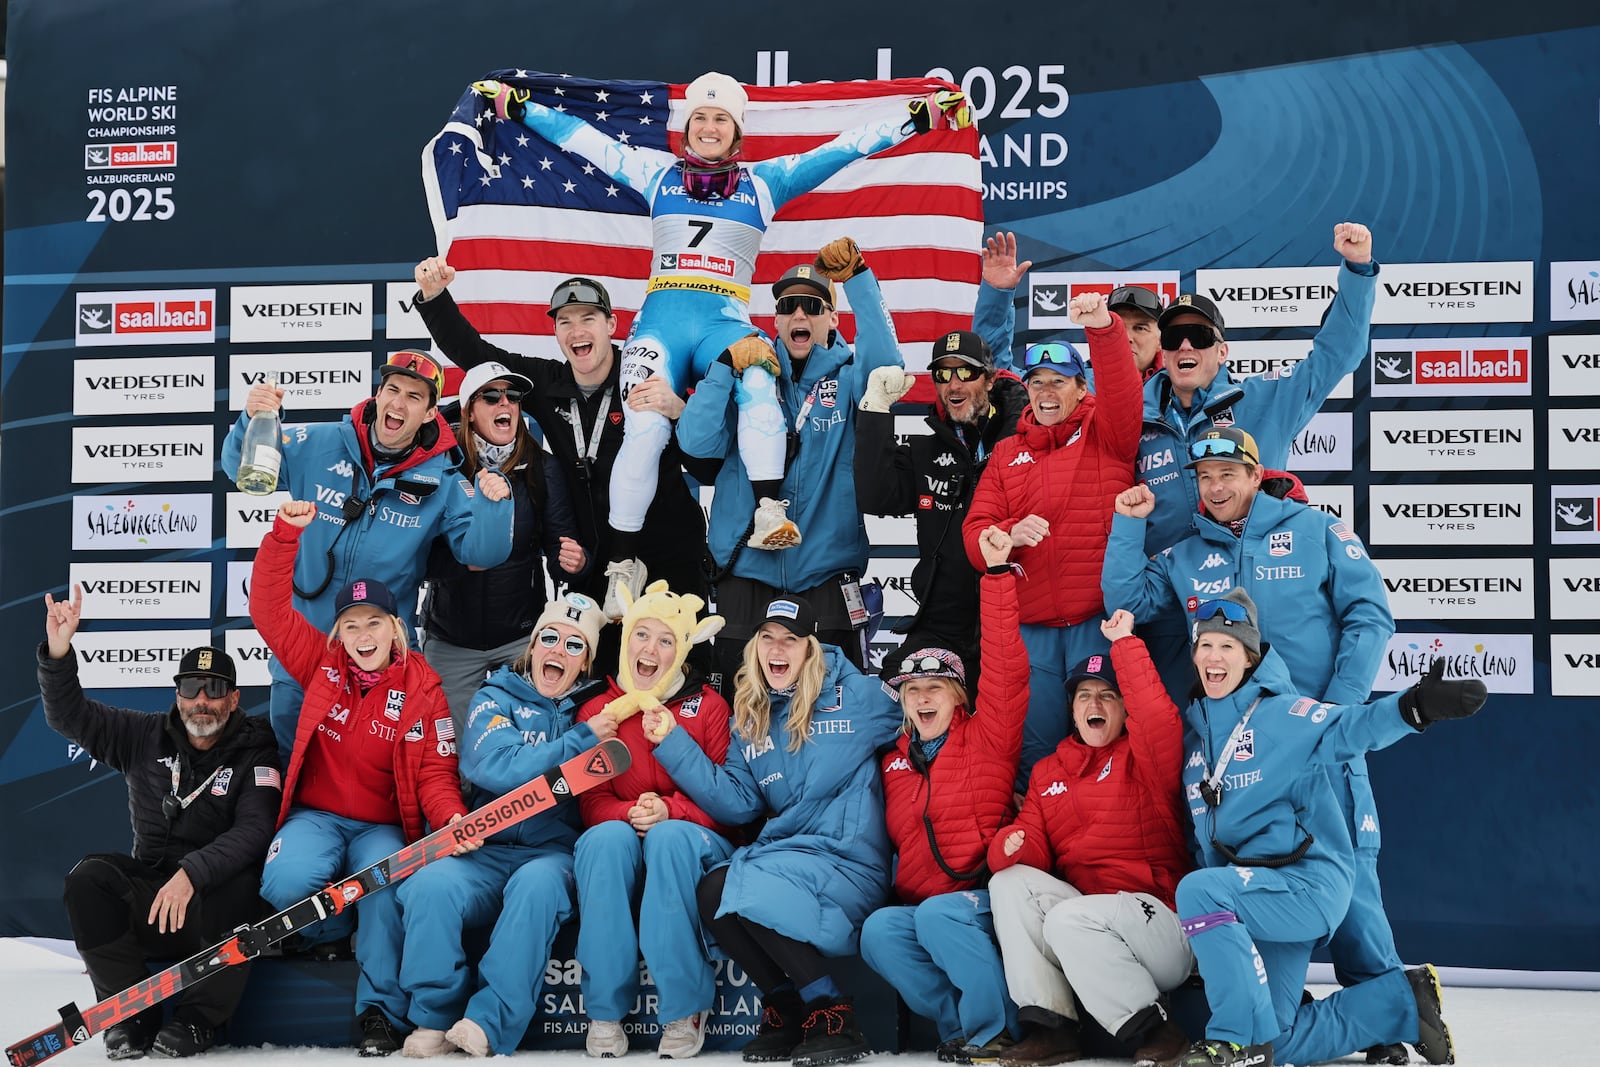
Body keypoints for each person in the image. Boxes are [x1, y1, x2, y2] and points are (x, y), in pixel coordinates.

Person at [472, 72, 972, 610]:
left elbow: (843, 149)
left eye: (721, 120)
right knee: (642, 427)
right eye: (701, 118)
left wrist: (919, 119)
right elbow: (584, 140)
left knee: (758, 379)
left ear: (737, 134)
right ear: (687, 128)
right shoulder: (656, 173)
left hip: (724, 324)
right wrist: (519, 108)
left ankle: (767, 511)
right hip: (660, 325)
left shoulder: (764, 182)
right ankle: (622, 561)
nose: (709, 128)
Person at [1101, 424, 1403, 1064]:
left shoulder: (1314, 528)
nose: (1215, 489)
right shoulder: (1184, 553)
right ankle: (1317, 1021)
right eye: (1204, 478)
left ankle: (1386, 1018)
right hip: (1233, 755)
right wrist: (1128, 527)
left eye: (1228, 475)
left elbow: (1371, 614)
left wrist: (1338, 709)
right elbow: (1126, 600)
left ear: (1256, 474)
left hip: (1312, 743)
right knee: (1249, 877)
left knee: (1354, 886)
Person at [1117, 588, 1482, 1067]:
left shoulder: (1280, 713)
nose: (1213, 656)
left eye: (1227, 646)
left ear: (1249, 657)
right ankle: (1400, 1003)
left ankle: (1230, 1039)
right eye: (1205, 645)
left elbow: (1351, 729)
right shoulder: (1197, 743)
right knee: (1276, 1038)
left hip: (1305, 883)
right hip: (1253, 896)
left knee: (1201, 893)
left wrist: (1413, 708)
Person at [640, 597, 903, 1067]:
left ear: (810, 648)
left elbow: (921, 718)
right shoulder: (752, 718)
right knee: (713, 890)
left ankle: (833, 1011)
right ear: (756, 647)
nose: (777, 649)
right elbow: (737, 803)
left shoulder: (857, 695)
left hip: (849, 862)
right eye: (767, 638)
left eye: (790, 639)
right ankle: (787, 1004)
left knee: (749, 886)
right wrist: (673, 741)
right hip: (789, 859)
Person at [250, 501, 468, 1057]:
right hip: (318, 817)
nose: (363, 635)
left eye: (374, 623)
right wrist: (284, 537)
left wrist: (451, 818)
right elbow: (269, 612)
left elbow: (438, 774)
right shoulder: (322, 665)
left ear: (396, 629)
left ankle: (379, 1012)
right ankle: (327, 932)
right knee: (284, 884)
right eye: (351, 625)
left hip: (382, 826)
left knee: (383, 885)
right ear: (338, 633)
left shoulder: (423, 688)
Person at [222, 350, 514, 760]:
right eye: (392, 389)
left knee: (374, 780)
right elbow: (241, 468)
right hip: (302, 647)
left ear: (431, 413)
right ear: (378, 394)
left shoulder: (443, 478)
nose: (398, 403)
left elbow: (481, 553)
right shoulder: (318, 443)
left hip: (381, 661)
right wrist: (253, 422)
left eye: (414, 397)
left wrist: (494, 506)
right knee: (292, 769)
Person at [412, 264, 711, 642]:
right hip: (596, 566)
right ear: (555, 332)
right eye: (565, 322)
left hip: (669, 558)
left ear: (612, 325)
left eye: (588, 317)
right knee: (599, 688)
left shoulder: (650, 373)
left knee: (679, 677)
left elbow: (707, 466)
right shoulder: (547, 382)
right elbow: (474, 353)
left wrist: (680, 413)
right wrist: (435, 297)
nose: (577, 330)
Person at [39, 593, 280, 1060]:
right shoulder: (141, 734)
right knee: (88, 880)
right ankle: (131, 1015)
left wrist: (192, 873)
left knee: (245, 887)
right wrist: (59, 653)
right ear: (177, 695)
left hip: (212, 905)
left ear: (234, 699)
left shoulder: (257, 750)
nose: (202, 701)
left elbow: (255, 829)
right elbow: (68, 716)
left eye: (214, 688)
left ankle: (197, 1021)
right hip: (153, 895)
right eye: (191, 688)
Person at [387, 592, 617, 1059]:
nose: (558, 651)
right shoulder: (496, 695)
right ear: (533, 646)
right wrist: (577, 745)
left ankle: (489, 1020)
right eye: (550, 638)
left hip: (551, 854)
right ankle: (433, 1015)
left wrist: (583, 735)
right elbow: (494, 767)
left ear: (586, 662)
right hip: (486, 849)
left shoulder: (594, 709)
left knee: (536, 889)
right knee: (430, 887)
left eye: (575, 646)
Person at [681, 244, 907, 689]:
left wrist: (859, 279)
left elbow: (888, 372)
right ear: (777, 319)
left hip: (824, 573)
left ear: (832, 319)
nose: (800, 314)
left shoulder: (850, 377)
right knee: (736, 710)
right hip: (744, 573)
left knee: (831, 709)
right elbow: (696, 441)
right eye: (788, 306)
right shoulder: (750, 373)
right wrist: (725, 368)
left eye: (813, 306)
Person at [985, 614, 1193, 1067]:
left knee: (1068, 919)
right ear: (1072, 708)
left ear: (1123, 708)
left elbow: (1157, 717)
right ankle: (1051, 1027)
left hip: (1159, 923)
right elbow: (1033, 849)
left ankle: (1159, 1029)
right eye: (1084, 695)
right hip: (1088, 925)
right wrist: (1010, 844)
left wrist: (1125, 645)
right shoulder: (1048, 772)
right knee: (1009, 883)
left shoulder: (1145, 758)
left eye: (1107, 695)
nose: (1094, 703)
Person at [858, 526, 1027, 1062]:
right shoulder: (893, 761)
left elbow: (1005, 668)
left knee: (937, 917)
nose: (922, 698)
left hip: (984, 898)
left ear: (958, 696)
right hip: (924, 905)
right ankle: (962, 1027)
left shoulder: (989, 735)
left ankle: (995, 1031)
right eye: (912, 690)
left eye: (934, 688)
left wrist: (997, 578)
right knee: (881, 930)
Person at [962, 292, 1143, 784]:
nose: (1045, 392)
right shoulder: (1005, 454)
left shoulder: (1108, 432)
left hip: (1095, 622)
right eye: (1036, 382)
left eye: (1058, 382)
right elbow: (976, 533)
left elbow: (1125, 393)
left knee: (1109, 747)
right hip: (1032, 630)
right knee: (1034, 751)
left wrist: (1103, 329)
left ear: (1081, 388)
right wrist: (1007, 533)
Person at [1135, 223, 1378, 557]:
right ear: (1163, 352)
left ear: (1222, 352)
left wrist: (1357, 270)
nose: (1186, 346)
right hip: (1167, 593)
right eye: (1174, 339)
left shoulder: (1268, 399)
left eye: (1200, 336)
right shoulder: (1133, 416)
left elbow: (1340, 353)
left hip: (1251, 589)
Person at [573, 582, 733, 1060]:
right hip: (624, 833)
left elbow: (731, 805)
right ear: (625, 640)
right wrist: (630, 813)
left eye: (667, 640)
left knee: (668, 840)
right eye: (642, 634)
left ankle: (684, 1008)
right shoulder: (597, 711)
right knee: (604, 841)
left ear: (682, 652)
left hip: (694, 839)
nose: (651, 648)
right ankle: (603, 1010)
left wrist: (670, 811)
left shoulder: (708, 707)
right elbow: (591, 802)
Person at [853, 273, 1029, 682]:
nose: (953, 383)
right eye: (943, 373)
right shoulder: (926, 446)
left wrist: (998, 295)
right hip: (940, 622)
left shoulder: (1022, 440)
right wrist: (875, 412)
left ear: (989, 378)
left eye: (965, 373)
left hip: (1008, 613)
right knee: (898, 696)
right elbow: (877, 497)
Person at [419, 360, 589, 733]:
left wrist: (573, 563)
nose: (505, 405)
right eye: (491, 397)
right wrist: (465, 564)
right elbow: (417, 555)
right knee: (451, 754)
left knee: (523, 746)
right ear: (468, 411)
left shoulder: (543, 467)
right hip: (451, 639)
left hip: (519, 639)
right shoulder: (442, 464)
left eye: (513, 396)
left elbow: (560, 548)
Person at [1106, 286, 1165, 381]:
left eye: (1140, 328)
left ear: (1160, 341)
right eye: (1118, 328)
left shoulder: (1178, 385)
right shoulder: (1079, 385)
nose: (1127, 338)